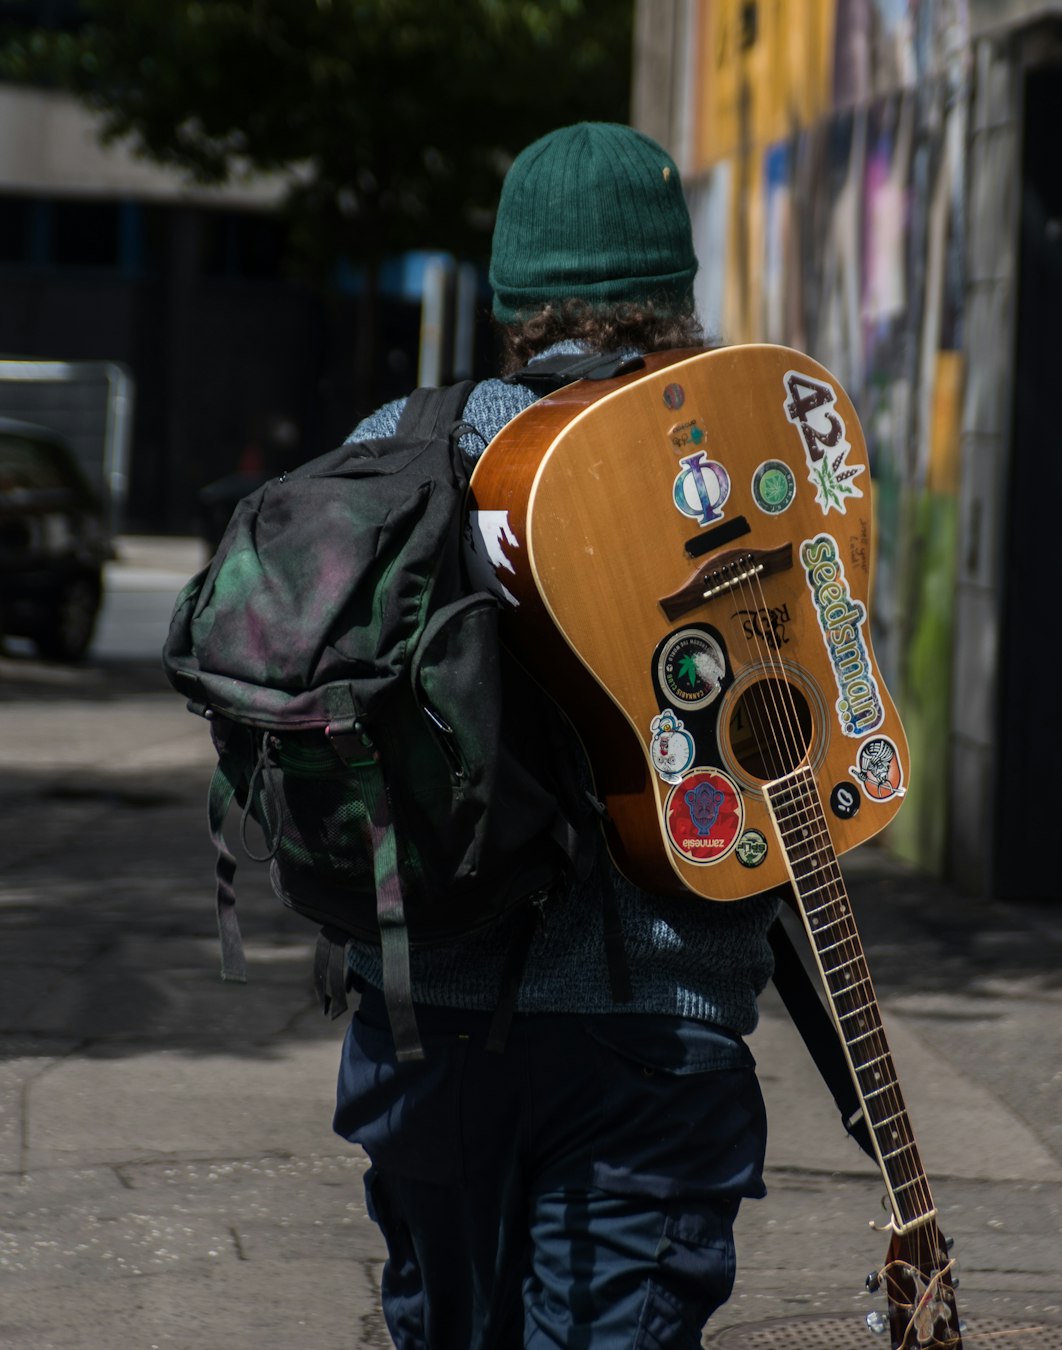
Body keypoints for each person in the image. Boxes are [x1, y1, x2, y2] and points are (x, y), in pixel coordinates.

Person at [332, 122, 781, 1349]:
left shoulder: (397, 441)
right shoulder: (727, 460)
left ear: (512, 291)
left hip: (423, 1028)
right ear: (676, 292)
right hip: (654, 1027)